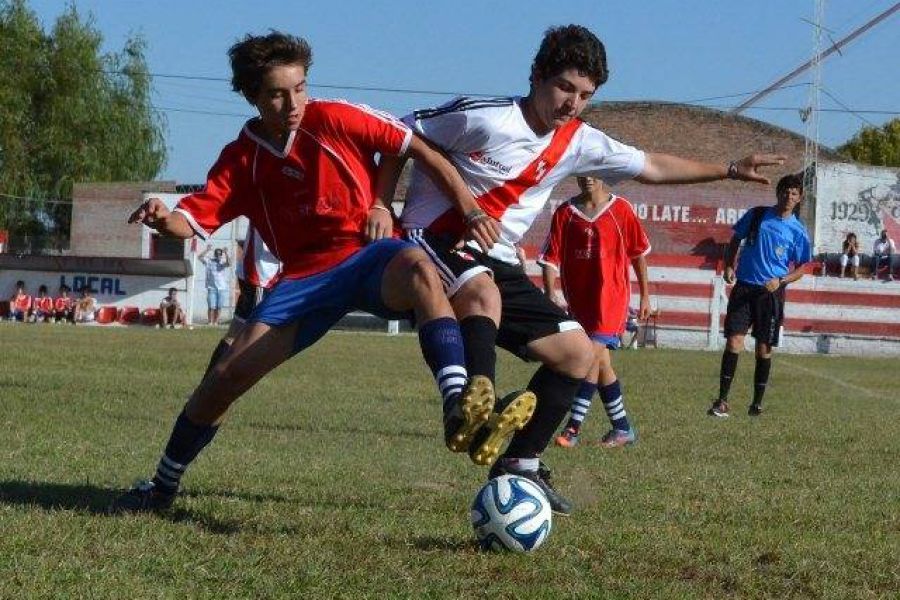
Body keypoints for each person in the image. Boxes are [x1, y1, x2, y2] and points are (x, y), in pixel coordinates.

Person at [389, 24, 785, 514]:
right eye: (564, 88)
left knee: (580, 357)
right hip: (436, 240)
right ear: (536, 75)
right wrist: (380, 205)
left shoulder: (579, 142)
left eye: (585, 95)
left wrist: (727, 169)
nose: (572, 103)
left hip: (498, 257)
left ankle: (520, 464)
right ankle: (476, 409)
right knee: (483, 294)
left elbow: (653, 167)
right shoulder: (484, 118)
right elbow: (396, 136)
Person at [111, 31, 510, 514]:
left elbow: (414, 146)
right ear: (253, 96)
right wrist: (161, 216)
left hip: (366, 257)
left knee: (419, 268)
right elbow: (191, 221)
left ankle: (455, 405)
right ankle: (161, 488)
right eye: (278, 93)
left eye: (300, 87)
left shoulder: (335, 118)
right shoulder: (242, 161)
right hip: (303, 280)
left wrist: (454, 209)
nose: (294, 102)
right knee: (223, 379)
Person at [538, 176, 651, 449]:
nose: (588, 177)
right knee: (602, 365)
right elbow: (550, 257)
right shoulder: (565, 213)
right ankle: (622, 428)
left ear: (605, 174)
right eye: (582, 171)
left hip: (612, 298)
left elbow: (637, 254)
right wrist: (550, 291)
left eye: (594, 171)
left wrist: (646, 294)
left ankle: (573, 428)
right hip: (579, 301)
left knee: (589, 356)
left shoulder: (621, 210)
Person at [708, 173, 811, 418]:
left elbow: (802, 268)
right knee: (734, 342)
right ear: (778, 193)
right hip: (744, 287)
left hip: (770, 294)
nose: (789, 196)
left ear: (799, 199)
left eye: (794, 193)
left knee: (763, 349)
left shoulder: (798, 231)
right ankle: (721, 401)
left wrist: (782, 281)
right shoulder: (757, 215)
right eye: (785, 191)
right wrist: (729, 265)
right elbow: (735, 239)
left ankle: (756, 403)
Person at [203, 225, 281, 375]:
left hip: (253, 274)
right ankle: (216, 386)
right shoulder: (277, 206)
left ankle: (207, 385)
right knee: (254, 339)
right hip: (262, 275)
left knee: (234, 334)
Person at [199, 246, 231, 325]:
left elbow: (229, 263)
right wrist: (207, 250)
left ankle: (216, 321)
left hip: (222, 288)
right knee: (211, 306)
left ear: (221, 255)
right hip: (211, 288)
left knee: (219, 306)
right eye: (217, 254)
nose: (218, 255)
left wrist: (226, 253)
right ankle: (210, 321)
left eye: (220, 254)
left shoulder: (222, 262)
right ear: (214, 254)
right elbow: (200, 257)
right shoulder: (209, 261)